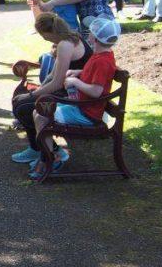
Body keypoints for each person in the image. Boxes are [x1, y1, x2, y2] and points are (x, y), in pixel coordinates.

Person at [31, 17, 121, 179]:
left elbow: (96, 91)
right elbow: (94, 74)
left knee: (41, 116)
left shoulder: (102, 61)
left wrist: (75, 81)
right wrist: (79, 72)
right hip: (83, 107)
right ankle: (50, 156)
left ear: (94, 37)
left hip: (87, 114)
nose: (88, 34)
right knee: (39, 112)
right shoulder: (101, 55)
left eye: (91, 32)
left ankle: (50, 160)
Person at [10, 13, 92, 166]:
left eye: (43, 35)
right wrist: (33, 93)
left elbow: (57, 84)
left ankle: (51, 150)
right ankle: (37, 147)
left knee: (24, 107)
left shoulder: (65, 45)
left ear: (49, 32)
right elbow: (53, 76)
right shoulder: (71, 38)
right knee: (20, 102)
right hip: (74, 90)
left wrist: (32, 94)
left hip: (76, 96)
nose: (43, 39)